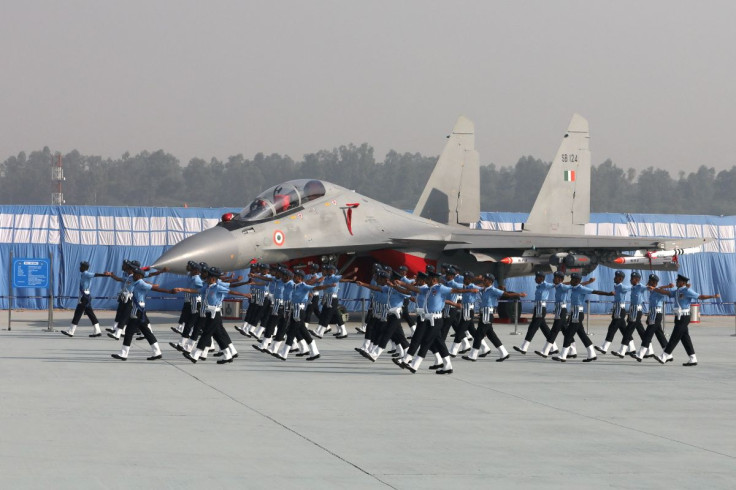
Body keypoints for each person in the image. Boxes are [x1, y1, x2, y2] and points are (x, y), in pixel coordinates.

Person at [176, 268, 251, 364]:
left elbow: (230, 292)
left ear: (213, 279)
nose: (206, 279)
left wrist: (244, 294)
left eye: (208, 277)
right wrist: (182, 289)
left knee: (206, 333)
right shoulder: (207, 287)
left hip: (215, 314)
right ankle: (228, 355)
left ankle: (195, 355)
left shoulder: (218, 287)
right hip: (207, 313)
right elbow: (196, 290)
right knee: (218, 335)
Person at [649, 273, 719, 366]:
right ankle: (693, 358)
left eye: (678, 281)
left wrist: (713, 296)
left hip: (684, 317)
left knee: (674, 337)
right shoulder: (677, 291)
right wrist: (655, 289)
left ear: (683, 282)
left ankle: (664, 356)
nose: (676, 282)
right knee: (685, 338)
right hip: (678, 317)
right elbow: (667, 292)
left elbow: (700, 296)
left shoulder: (687, 291)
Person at [461, 273, 526, 362]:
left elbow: (506, 294)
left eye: (486, 280)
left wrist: (519, 294)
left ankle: (473, 355)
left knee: (479, 335)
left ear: (491, 282)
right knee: (491, 335)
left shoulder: (493, 290)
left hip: (488, 315)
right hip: (484, 314)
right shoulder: (484, 290)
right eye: (484, 279)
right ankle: (504, 353)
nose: (484, 281)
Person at [110, 268, 172, 361]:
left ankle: (124, 354)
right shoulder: (135, 281)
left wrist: (169, 292)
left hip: (137, 309)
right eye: (134, 273)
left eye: (136, 274)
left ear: (140, 276)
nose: (134, 275)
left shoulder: (141, 283)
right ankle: (157, 352)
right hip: (139, 308)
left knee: (129, 332)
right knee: (146, 332)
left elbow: (156, 289)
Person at [552, 273, 609, 362]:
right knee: (582, 334)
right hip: (574, 313)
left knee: (568, 334)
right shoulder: (574, 288)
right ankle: (592, 354)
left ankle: (563, 356)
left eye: (573, 279)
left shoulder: (581, 288)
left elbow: (595, 291)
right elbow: (564, 284)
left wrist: (609, 294)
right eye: (571, 279)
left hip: (577, 314)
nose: (571, 281)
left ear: (578, 281)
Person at [61, 261, 107, 338]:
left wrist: (105, 275)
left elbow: (95, 274)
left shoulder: (86, 273)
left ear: (84, 267)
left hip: (84, 297)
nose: (79, 267)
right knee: (90, 314)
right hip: (85, 296)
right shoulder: (83, 274)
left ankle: (71, 331)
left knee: (78, 313)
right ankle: (97, 330)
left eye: (81, 266)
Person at [514, 271, 555, 355]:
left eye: (537, 277)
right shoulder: (539, 286)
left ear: (541, 278)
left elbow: (557, 285)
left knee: (532, 328)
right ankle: (554, 347)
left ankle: (524, 347)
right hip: (538, 308)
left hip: (541, 308)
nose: (535, 279)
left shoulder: (545, 285)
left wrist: (577, 283)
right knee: (545, 329)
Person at [632, 274, 672, 361]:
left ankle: (640, 354)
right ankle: (668, 354)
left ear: (654, 282)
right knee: (659, 334)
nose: (648, 283)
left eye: (650, 281)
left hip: (657, 314)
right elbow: (650, 288)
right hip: (653, 314)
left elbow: (664, 292)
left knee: (648, 333)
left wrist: (667, 287)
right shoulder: (653, 291)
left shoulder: (658, 291)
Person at [595, 270, 632, 354]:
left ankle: (604, 347)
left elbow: (631, 288)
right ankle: (632, 347)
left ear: (620, 278)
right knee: (624, 330)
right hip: (617, 310)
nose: (614, 278)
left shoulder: (622, 287)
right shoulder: (617, 285)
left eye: (616, 277)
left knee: (612, 329)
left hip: (620, 310)